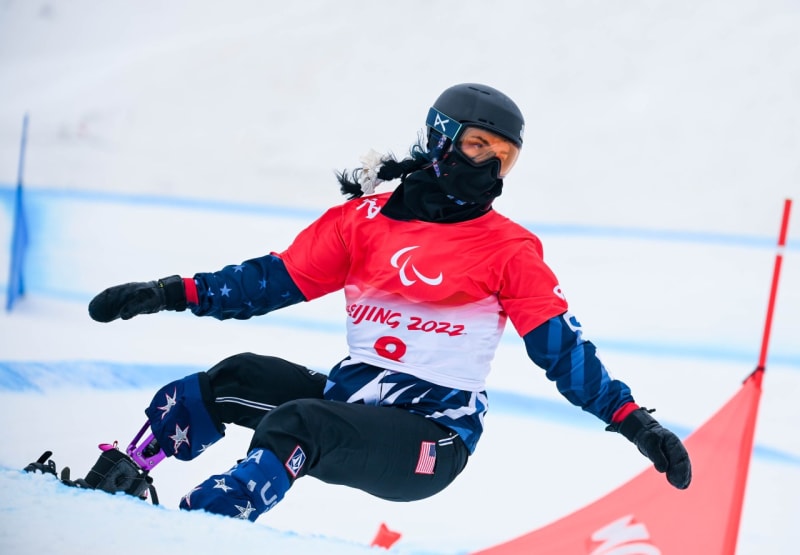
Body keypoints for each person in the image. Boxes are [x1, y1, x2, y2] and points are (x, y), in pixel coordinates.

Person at [87, 83, 692, 522]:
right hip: (355, 398)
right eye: (478, 146)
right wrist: (167, 292)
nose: (490, 166)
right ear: (441, 140)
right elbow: (268, 283)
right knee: (231, 379)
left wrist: (634, 422)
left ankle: (196, 531)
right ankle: (120, 482)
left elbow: (564, 353)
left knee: (298, 425)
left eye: (504, 157)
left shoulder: (509, 249)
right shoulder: (363, 223)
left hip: (433, 441)